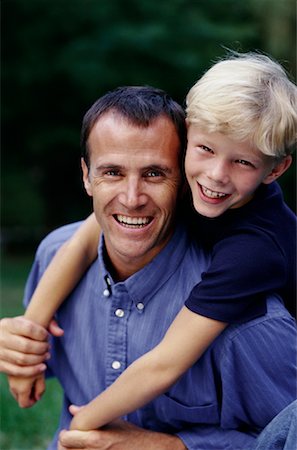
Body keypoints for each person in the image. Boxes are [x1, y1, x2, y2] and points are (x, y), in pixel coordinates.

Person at [6, 52, 297, 434]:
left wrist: (83, 428)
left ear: (274, 170)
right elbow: (82, 241)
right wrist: (32, 329)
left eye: (242, 162)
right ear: (190, 135)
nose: (215, 175)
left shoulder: (253, 252)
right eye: (205, 150)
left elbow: (166, 361)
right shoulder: (190, 186)